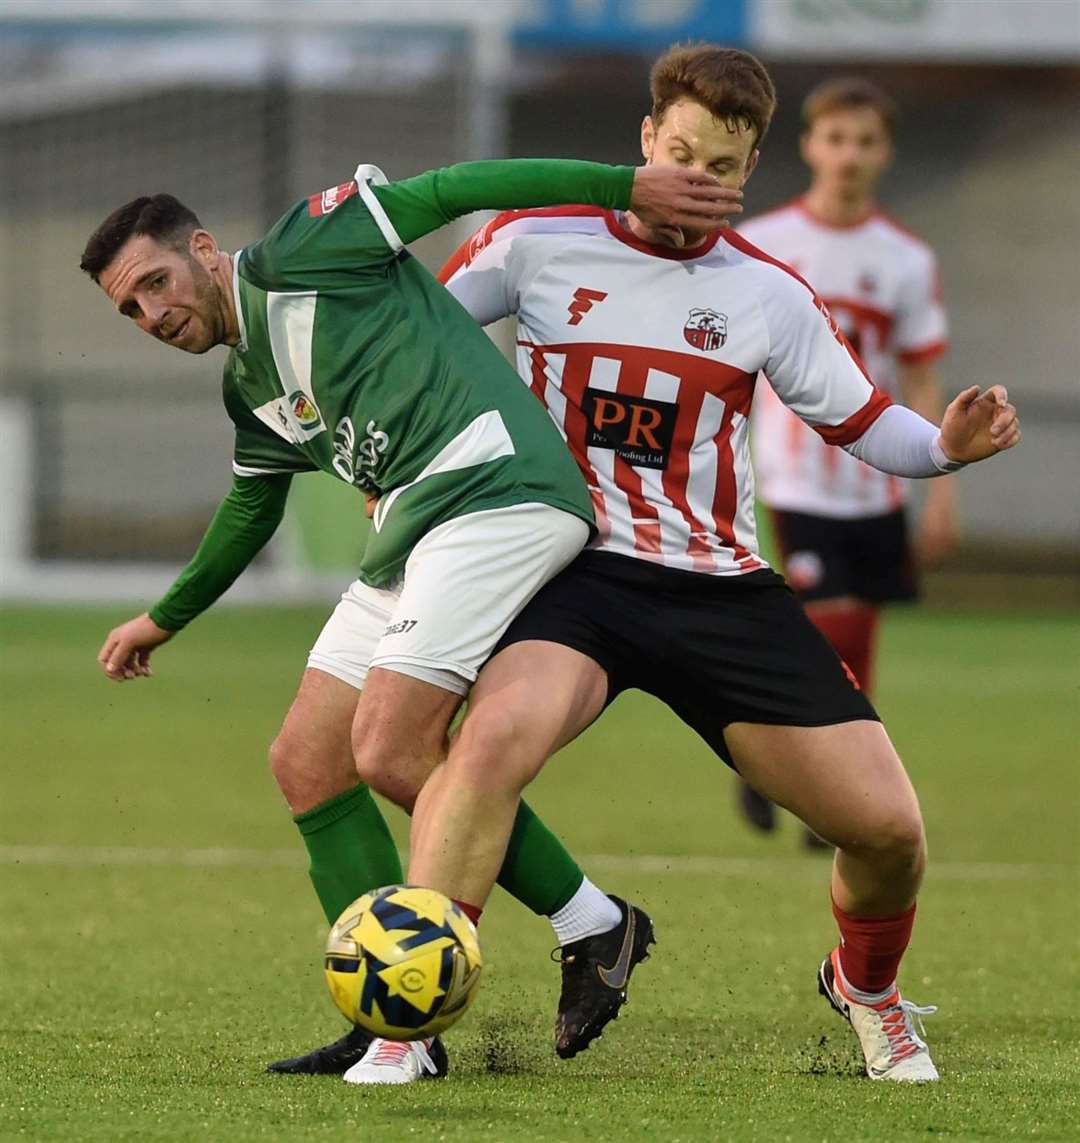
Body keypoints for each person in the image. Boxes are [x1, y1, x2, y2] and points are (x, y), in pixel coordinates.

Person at [394, 43, 1020, 1084]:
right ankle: (406, 1025)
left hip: (718, 588)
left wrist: (945, 447)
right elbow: (410, 343)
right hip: (572, 578)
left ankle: (865, 989)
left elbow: (866, 422)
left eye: (721, 171)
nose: (697, 187)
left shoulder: (765, 293)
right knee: (485, 750)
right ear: (646, 140)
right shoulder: (531, 242)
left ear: (751, 168)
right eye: (680, 156)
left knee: (889, 833)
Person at [82, 158, 741, 1084]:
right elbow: (249, 508)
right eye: (130, 311)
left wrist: (623, 185)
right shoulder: (248, 386)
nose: (152, 316)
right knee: (307, 761)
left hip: (496, 489)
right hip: (411, 528)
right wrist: (166, 615)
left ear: (202, 250)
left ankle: (517, 964)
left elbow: (453, 188)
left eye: (154, 284)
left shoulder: (305, 245)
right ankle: (413, 1003)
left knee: (391, 745)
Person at [736, 77, 957, 846]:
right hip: (795, 471)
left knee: (855, 634)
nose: (849, 155)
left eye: (865, 141)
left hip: (877, 477)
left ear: (885, 152)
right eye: (836, 138)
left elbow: (920, 373)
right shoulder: (766, 242)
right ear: (808, 145)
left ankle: (818, 785)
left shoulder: (904, 258)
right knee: (824, 619)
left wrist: (941, 488)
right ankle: (785, 765)